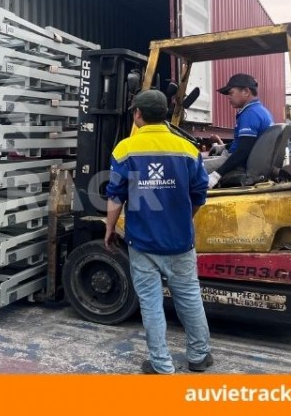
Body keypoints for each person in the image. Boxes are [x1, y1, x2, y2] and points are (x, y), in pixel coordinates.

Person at [104, 89, 212, 374]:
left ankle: (161, 364)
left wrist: (109, 228)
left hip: (142, 243)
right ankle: (199, 356)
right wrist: (185, 219)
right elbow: (200, 193)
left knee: (151, 303)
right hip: (180, 241)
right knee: (189, 297)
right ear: (164, 114)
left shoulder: (125, 150)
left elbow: (115, 195)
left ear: (138, 114)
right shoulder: (188, 149)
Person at [204, 73, 273, 189]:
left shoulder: (250, 114)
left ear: (246, 92)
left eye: (231, 93)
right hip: (243, 160)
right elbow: (249, 142)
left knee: (191, 167)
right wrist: (223, 147)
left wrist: (216, 175)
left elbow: (243, 150)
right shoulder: (261, 111)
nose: (229, 97)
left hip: (237, 164)